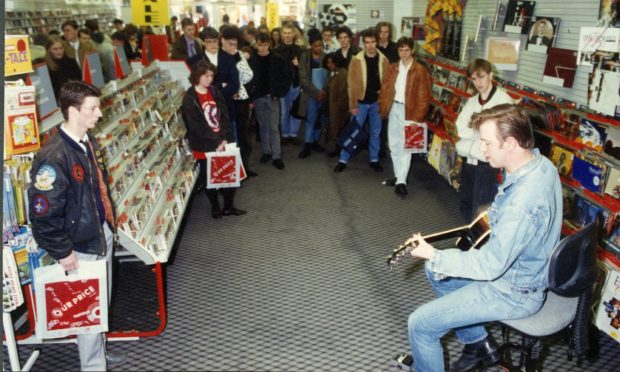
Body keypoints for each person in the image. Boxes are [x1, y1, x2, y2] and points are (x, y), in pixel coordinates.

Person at [392, 104, 563, 372]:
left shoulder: (522, 203)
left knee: (420, 324)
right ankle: (478, 345)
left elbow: (491, 265)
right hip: (526, 274)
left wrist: (434, 254)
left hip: (514, 291)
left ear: (510, 142)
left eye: (486, 142)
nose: (481, 149)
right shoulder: (540, 164)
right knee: (436, 271)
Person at [28, 80, 126, 370]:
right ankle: (93, 365)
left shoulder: (85, 142)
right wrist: (62, 251)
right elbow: (43, 214)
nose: (99, 113)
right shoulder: (54, 156)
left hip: (98, 233)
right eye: (93, 108)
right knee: (87, 310)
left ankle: (100, 353)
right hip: (80, 245)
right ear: (73, 110)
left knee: (100, 301)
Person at [181, 60, 247, 218]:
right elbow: (196, 126)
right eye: (207, 76)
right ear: (197, 76)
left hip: (223, 140)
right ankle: (215, 207)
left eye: (212, 76)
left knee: (230, 175)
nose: (210, 79)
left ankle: (228, 206)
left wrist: (224, 139)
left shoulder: (214, 91)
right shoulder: (189, 98)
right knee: (209, 178)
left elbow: (224, 115)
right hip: (204, 144)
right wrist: (216, 142)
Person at [456, 59, 514, 221]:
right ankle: (468, 239)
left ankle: (479, 244)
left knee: (482, 207)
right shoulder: (472, 101)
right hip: (469, 160)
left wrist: (475, 130)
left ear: (491, 75)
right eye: (474, 79)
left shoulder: (503, 100)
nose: (478, 82)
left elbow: (502, 135)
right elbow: (460, 127)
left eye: (481, 77)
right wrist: (481, 134)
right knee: (465, 202)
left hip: (488, 164)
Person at [378, 36, 431, 196]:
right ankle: (398, 176)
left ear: (412, 50)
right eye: (400, 50)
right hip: (394, 107)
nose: (403, 53)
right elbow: (385, 89)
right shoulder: (393, 68)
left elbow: (424, 96)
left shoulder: (420, 70)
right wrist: (383, 106)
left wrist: (417, 118)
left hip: (411, 111)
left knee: (407, 147)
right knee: (394, 144)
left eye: (406, 50)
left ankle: (401, 181)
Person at [334, 28, 390, 173]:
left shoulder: (384, 60)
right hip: (360, 102)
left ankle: (374, 159)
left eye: (372, 42)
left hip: (376, 102)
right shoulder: (356, 60)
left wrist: (383, 95)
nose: (370, 45)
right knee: (352, 131)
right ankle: (343, 159)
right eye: (367, 42)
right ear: (363, 43)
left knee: (376, 132)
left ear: (377, 42)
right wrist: (352, 105)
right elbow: (351, 84)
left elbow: (388, 82)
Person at [249, 32, 290, 170]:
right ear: (256, 44)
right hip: (258, 97)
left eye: (265, 45)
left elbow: (285, 78)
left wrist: (278, 93)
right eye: (260, 45)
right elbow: (248, 80)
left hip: (273, 97)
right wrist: (251, 97)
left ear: (269, 44)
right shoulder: (252, 60)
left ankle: (277, 156)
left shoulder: (277, 59)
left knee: (274, 126)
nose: (263, 48)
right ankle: (267, 151)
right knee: (263, 125)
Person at [220, 25, 258, 177]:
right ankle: (232, 170)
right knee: (230, 136)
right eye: (230, 43)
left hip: (241, 99)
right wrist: (230, 87)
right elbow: (219, 80)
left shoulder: (238, 54)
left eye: (235, 44)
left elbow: (248, 76)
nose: (233, 46)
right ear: (222, 40)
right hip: (226, 100)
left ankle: (244, 168)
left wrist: (237, 57)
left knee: (244, 136)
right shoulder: (217, 56)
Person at [297, 28, 328, 159]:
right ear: (311, 46)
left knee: (319, 119)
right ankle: (308, 145)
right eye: (316, 46)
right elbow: (303, 78)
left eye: (320, 45)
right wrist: (316, 92)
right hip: (310, 94)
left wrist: (324, 91)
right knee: (310, 119)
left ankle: (315, 141)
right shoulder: (305, 56)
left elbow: (329, 76)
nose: (318, 48)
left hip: (323, 93)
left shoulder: (326, 57)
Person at [274, 22, 303, 145]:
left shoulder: (299, 50)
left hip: (296, 84)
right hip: (282, 85)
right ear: (281, 35)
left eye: (289, 33)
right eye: (285, 33)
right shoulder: (276, 51)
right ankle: (285, 135)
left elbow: (305, 69)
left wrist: (298, 65)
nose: (287, 36)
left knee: (295, 109)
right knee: (284, 111)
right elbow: (273, 71)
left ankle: (294, 134)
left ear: (293, 34)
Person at [324, 53, 349, 157]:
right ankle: (336, 148)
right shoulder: (332, 72)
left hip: (340, 107)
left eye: (332, 61)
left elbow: (344, 92)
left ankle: (339, 150)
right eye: (328, 62)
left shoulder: (343, 73)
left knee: (339, 128)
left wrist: (338, 106)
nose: (330, 64)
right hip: (332, 106)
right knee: (334, 128)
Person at [44, 35, 82, 100]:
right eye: (55, 49)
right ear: (49, 50)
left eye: (61, 48)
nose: (59, 51)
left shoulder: (71, 61)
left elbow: (79, 80)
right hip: (57, 100)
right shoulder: (46, 66)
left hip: (74, 96)